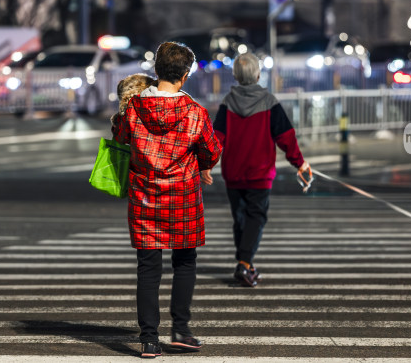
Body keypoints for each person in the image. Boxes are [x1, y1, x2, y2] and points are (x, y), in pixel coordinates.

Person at [112, 41, 222, 358]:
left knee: (148, 269)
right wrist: (202, 166)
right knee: (184, 263)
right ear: (185, 76)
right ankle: (181, 330)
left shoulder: (133, 109)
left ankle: (148, 339)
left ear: (156, 71)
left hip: (145, 197)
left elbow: (120, 138)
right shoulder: (194, 113)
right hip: (183, 198)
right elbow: (211, 151)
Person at [212, 53, 310, 287]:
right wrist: (300, 162)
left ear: (235, 75)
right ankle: (244, 264)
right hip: (260, 173)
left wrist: (206, 165)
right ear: (257, 74)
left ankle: (245, 262)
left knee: (240, 218)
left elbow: (216, 139)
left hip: (233, 172)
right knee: (256, 216)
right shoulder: (269, 101)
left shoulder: (227, 102)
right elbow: (286, 137)